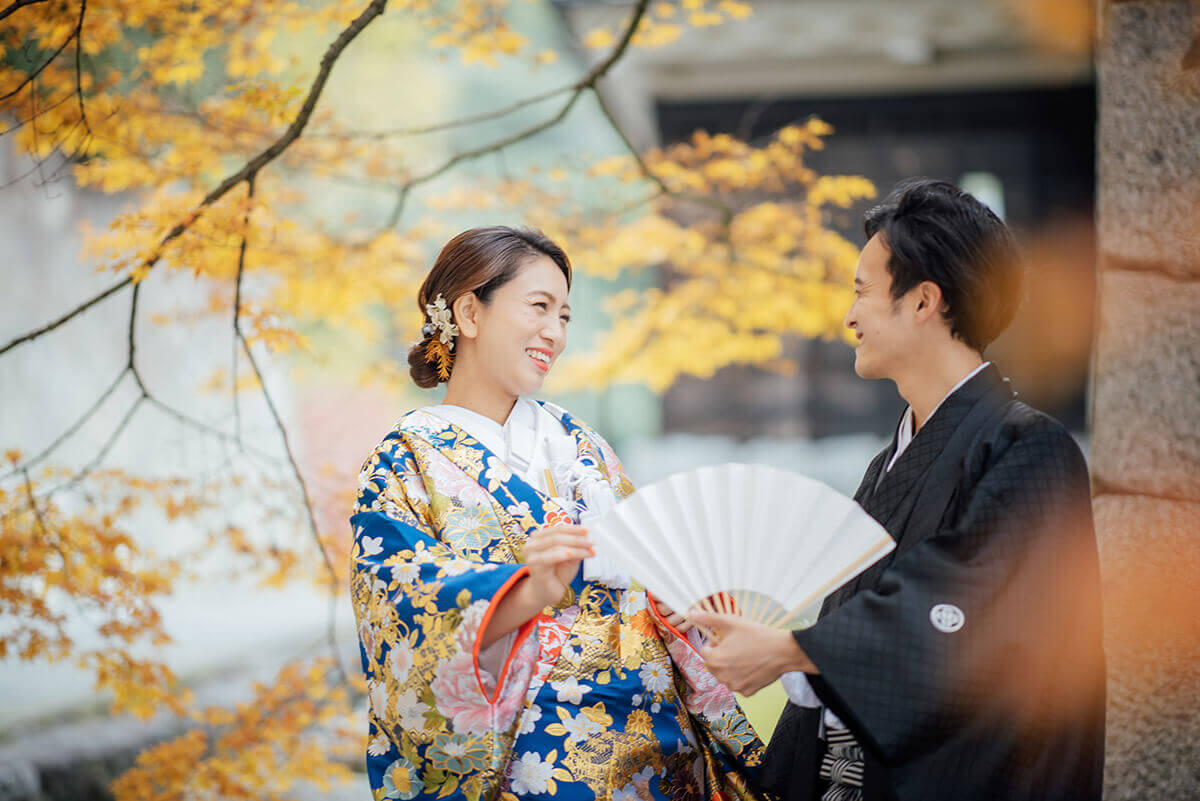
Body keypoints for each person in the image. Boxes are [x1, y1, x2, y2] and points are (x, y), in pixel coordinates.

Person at [687, 179, 1106, 801]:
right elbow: (862, 616)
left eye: (861, 291)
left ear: (923, 301)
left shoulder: (1029, 449)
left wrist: (793, 651)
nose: (849, 315)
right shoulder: (890, 461)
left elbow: (970, 616)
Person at [349, 226, 764, 801]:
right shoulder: (405, 459)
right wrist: (526, 591)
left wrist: (683, 603)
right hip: (529, 762)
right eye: (539, 307)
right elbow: (396, 606)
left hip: (656, 747)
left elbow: (646, 578)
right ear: (469, 312)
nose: (555, 332)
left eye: (565, 316)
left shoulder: (582, 443)